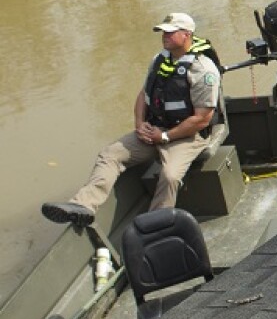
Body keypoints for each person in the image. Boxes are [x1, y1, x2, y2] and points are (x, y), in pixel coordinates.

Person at [42, 13, 222, 226]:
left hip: (186, 136)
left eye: (170, 32)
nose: (164, 35)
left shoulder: (204, 70)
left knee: (170, 175)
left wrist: (165, 136)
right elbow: (144, 95)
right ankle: (84, 205)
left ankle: (157, 223)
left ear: (186, 35)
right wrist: (140, 124)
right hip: (154, 130)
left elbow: (202, 119)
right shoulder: (159, 59)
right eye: (163, 32)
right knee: (111, 154)